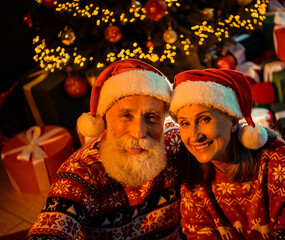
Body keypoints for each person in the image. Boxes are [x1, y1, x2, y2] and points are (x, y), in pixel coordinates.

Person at [27, 59, 183, 240]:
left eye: (152, 117)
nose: (139, 133)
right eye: (126, 115)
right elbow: (51, 227)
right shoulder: (82, 171)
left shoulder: (176, 143)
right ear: (104, 119)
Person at [169, 69, 285, 239]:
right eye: (184, 123)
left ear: (234, 121)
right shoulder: (192, 181)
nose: (195, 135)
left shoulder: (280, 163)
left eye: (205, 119)